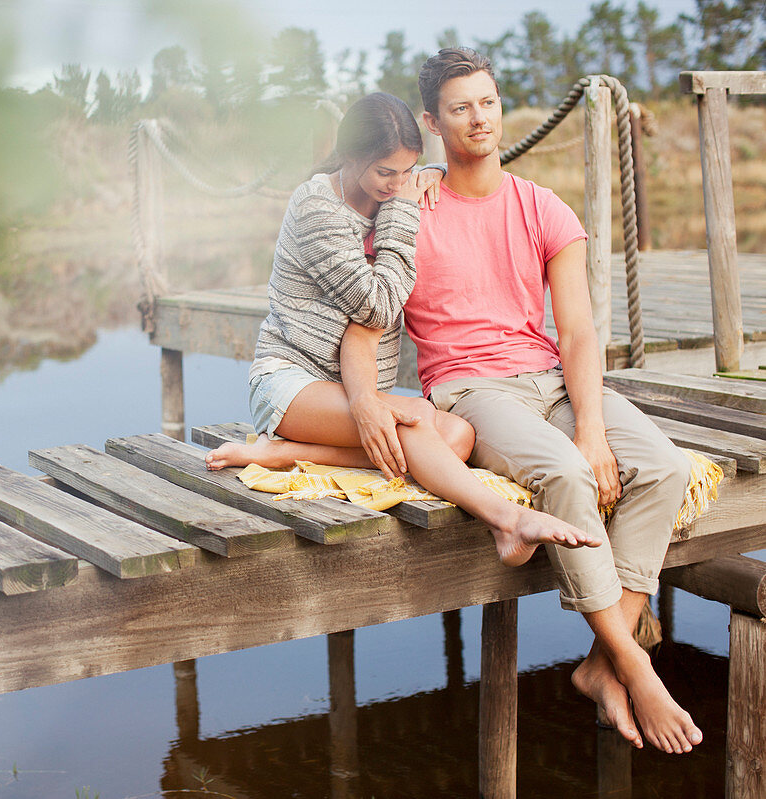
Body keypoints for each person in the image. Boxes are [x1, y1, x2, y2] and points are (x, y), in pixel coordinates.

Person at [342, 48, 698, 754]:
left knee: (664, 466)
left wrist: (592, 427)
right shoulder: (408, 211)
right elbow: (361, 302)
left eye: (489, 101)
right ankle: (634, 662)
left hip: (550, 378)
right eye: (460, 107)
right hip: (471, 388)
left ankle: (602, 660)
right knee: (562, 475)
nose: (480, 118)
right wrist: (360, 400)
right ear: (432, 122)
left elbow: (577, 331)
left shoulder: (543, 207)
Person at [205, 91, 600, 568]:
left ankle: (285, 454)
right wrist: (402, 212)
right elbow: (378, 304)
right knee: (415, 418)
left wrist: (424, 181)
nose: (396, 186)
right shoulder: (317, 207)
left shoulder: (385, 196)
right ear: (351, 156)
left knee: (456, 437)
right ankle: (507, 520)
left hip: (353, 388)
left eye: (406, 172)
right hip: (291, 382)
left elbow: (411, 205)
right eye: (384, 173)